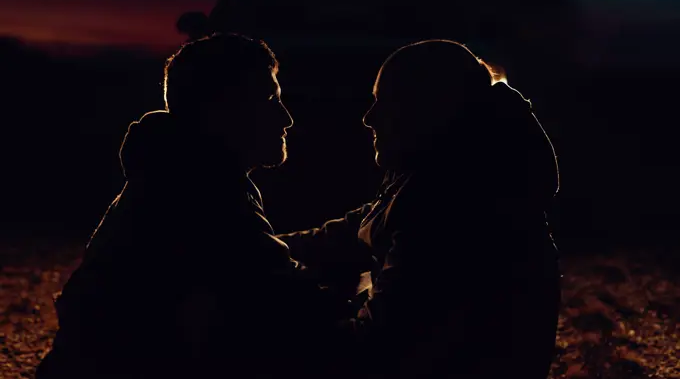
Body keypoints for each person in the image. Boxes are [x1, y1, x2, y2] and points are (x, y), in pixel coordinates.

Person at [36, 33, 347, 379]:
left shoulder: (176, 171)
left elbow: (256, 256)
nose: (286, 119)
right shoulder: (202, 189)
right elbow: (284, 297)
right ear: (219, 112)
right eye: (269, 100)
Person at [279, 39, 562, 378]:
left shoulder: (448, 207)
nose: (369, 119)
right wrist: (265, 247)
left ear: (426, 110)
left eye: (383, 103)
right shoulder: (450, 176)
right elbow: (356, 230)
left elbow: (375, 346)